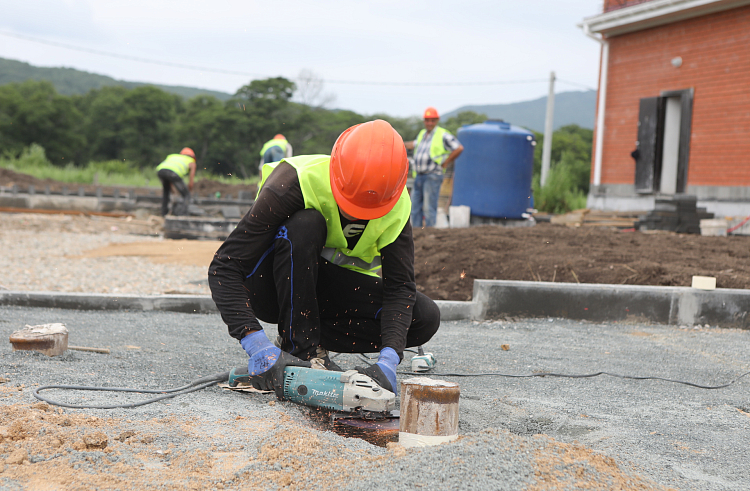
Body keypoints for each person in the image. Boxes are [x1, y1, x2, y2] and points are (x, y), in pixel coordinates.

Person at [208, 120, 441, 398]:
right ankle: (301, 349)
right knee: (305, 224)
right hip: (273, 288)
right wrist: (255, 344)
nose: (358, 215)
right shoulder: (293, 181)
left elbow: (400, 288)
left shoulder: (395, 201)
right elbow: (225, 265)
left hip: (327, 298)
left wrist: (389, 361)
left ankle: (308, 341)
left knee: (424, 317)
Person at [404, 107, 464, 228]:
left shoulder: (442, 134)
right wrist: (399, 142)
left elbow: (458, 147)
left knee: (428, 207)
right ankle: (416, 233)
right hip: (419, 175)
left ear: (436, 120)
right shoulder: (422, 134)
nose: (429, 123)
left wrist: (446, 162)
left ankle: (430, 232)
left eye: (432, 120)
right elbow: (414, 144)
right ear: (424, 121)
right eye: (427, 120)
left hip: (432, 175)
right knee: (415, 207)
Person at [156, 147, 197, 216]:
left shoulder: (172, 156)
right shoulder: (191, 161)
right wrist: (189, 190)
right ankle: (182, 215)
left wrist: (173, 190)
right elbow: (191, 181)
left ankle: (164, 213)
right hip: (173, 173)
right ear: (192, 157)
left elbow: (168, 175)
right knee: (187, 195)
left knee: (166, 192)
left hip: (161, 171)